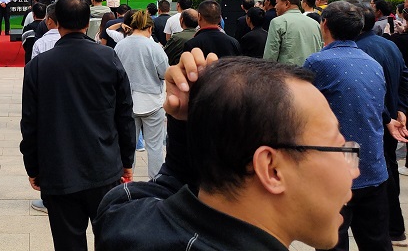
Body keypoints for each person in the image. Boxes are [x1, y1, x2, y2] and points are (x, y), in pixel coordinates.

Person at [94, 53, 361, 251]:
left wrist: (196, 123)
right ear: (271, 169)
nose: (355, 170)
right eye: (339, 148)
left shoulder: (122, 219)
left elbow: (158, 192)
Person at [21, 0, 135, 251]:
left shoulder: (38, 65)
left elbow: (30, 123)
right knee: (109, 238)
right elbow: (124, 113)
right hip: (104, 166)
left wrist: (33, 167)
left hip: (59, 169)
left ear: (56, 22)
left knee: (67, 243)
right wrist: (127, 161)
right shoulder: (108, 57)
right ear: (87, 23)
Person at [304, 0, 408, 251]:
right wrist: (388, 120)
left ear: (324, 24)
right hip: (373, 165)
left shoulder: (317, 63)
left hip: (335, 169)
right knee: (376, 241)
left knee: (332, 243)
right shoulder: (371, 63)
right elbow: (373, 102)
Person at [355, 4, 408, 246]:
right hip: (389, 118)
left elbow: (371, 92)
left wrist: (391, 114)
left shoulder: (359, 51)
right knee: (389, 168)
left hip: (376, 121)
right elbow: (404, 76)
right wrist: (401, 109)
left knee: (380, 175)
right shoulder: (389, 44)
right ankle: (395, 229)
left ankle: (391, 229)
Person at [113, 9, 167, 179]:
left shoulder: (120, 46)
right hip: (152, 101)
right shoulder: (154, 47)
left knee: (127, 147)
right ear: (149, 28)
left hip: (127, 102)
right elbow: (164, 72)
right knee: (155, 147)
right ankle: (155, 182)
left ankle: (127, 181)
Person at [263, 0, 323, 66]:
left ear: (287, 3)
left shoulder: (278, 22)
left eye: (277, 3)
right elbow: (320, 50)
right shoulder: (315, 24)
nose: (275, 7)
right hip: (311, 71)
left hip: (288, 71)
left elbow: (270, 55)